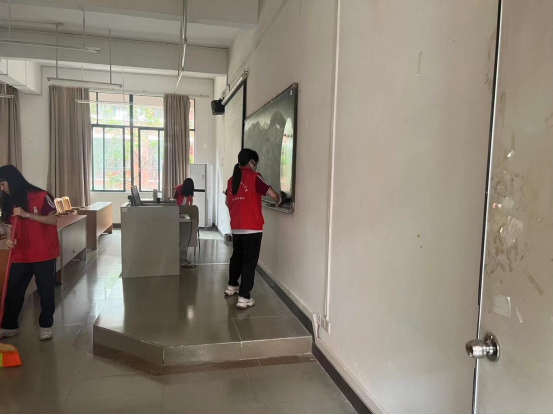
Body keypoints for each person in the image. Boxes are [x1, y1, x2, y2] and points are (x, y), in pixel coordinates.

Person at [0, 165, 60, 342]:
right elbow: (10, 226)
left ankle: (45, 326)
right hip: (21, 253)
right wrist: (9, 240)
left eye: (3, 184)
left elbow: (53, 220)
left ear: (13, 181)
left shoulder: (42, 196)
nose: (2, 189)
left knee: (45, 291)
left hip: (43, 252)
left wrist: (27, 215)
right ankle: (9, 326)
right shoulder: (8, 200)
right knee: (13, 290)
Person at [224, 149, 281, 309]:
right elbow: (273, 195)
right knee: (249, 262)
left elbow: (228, 202)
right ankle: (244, 298)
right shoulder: (255, 177)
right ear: (251, 162)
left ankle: (232, 286)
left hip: (236, 227)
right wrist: (278, 200)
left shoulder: (231, 180)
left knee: (237, 258)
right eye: (255, 163)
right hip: (252, 228)